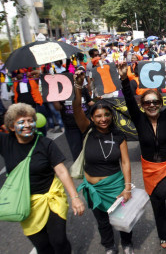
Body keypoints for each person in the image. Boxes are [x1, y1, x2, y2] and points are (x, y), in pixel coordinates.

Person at [117, 59, 166, 250]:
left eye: (156, 102)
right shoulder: (139, 119)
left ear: (160, 103)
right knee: (157, 205)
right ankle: (164, 235)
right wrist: (124, 78)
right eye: (147, 103)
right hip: (149, 171)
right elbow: (130, 100)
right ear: (142, 105)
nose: (152, 105)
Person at [0, 103, 85, 254]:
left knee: (58, 241)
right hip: (26, 202)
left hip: (51, 198)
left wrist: (75, 197)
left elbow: (62, 171)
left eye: (30, 120)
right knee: (43, 246)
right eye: (21, 122)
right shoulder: (6, 142)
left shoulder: (46, 144)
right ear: (12, 127)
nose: (27, 125)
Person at [72, 70, 134, 254]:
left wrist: (128, 187)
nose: (103, 119)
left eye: (106, 115)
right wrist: (78, 87)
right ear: (92, 118)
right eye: (98, 116)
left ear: (111, 116)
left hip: (115, 186)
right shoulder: (87, 130)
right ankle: (109, 246)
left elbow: (125, 162)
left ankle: (127, 243)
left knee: (122, 217)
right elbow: (76, 109)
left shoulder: (118, 135)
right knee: (102, 221)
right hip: (93, 189)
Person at [53, 67, 94, 160]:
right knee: (77, 152)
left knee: (90, 149)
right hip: (71, 126)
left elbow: (89, 102)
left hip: (86, 123)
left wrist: (101, 103)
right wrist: (55, 98)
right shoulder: (60, 93)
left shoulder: (82, 89)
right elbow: (58, 108)